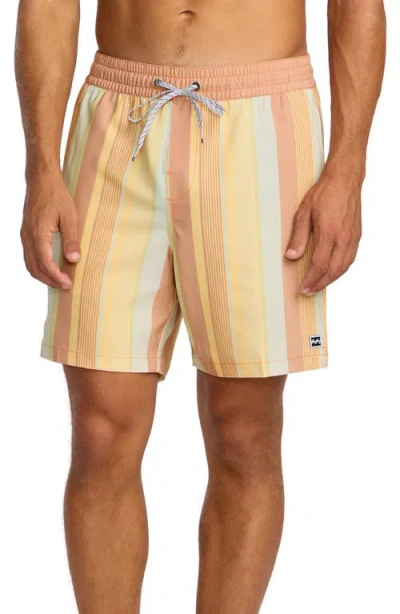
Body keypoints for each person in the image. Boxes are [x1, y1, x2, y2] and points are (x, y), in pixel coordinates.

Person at [15, 0, 386, 612]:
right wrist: (41, 171)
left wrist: (348, 169)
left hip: (262, 116)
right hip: (118, 114)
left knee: (243, 430)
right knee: (100, 432)